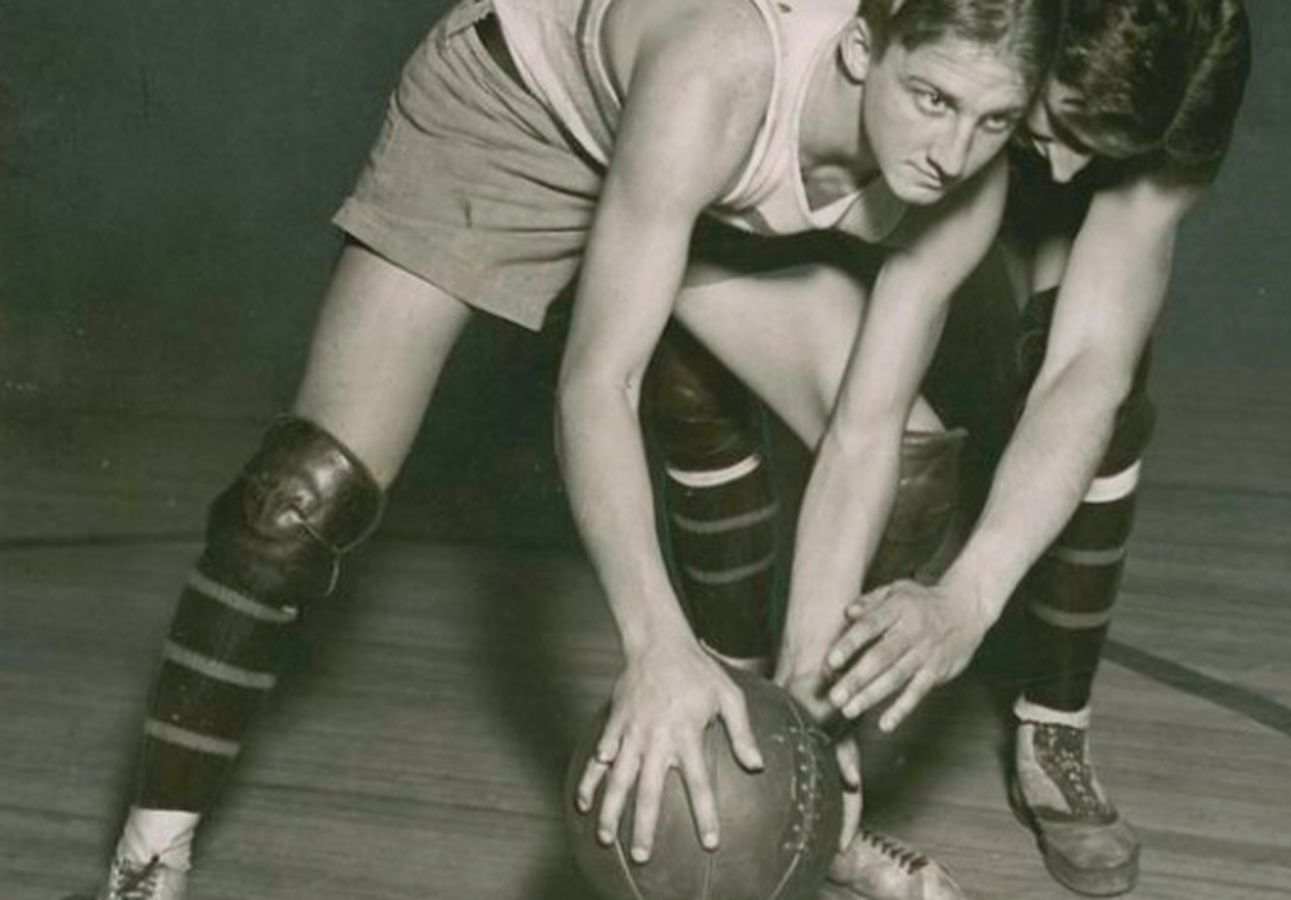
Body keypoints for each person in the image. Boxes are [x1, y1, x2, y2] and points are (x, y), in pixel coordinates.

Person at [68, 0, 1058, 896]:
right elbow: (596, 384)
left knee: (913, 467)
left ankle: (791, 805)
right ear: (859, 48)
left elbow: (864, 431)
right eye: (930, 98)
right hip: (523, 115)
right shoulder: (724, 71)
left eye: (992, 119)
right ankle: (149, 859)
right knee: (299, 498)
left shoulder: (960, 178)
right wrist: (654, 646)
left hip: (703, 187)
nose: (954, 150)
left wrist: (801, 715)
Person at [644, 0, 1252, 896]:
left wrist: (970, 596)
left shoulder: (1194, 68)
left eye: (1107, 150)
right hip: (887, 108)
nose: (1073, 165)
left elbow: (1087, 368)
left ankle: (1054, 727)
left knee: (1096, 397)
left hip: (996, 110)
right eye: (1066, 127)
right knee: (692, 352)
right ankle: (742, 710)